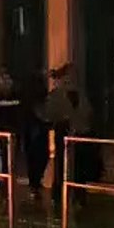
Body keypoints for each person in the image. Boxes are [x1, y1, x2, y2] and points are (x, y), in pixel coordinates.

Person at [45, 64, 94, 203]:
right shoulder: (56, 94)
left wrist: (83, 124)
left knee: (80, 164)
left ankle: (79, 194)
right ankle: (59, 194)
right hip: (62, 132)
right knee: (61, 164)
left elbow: (88, 111)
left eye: (74, 75)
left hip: (80, 133)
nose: (71, 79)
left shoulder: (81, 94)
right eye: (69, 75)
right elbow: (50, 114)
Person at [0, 67, 21, 178]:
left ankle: (7, 179)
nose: (6, 82)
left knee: (9, 160)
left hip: (12, 131)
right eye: (3, 79)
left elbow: (17, 113)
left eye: (8, 79)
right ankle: (0, 179)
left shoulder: (15, 96)